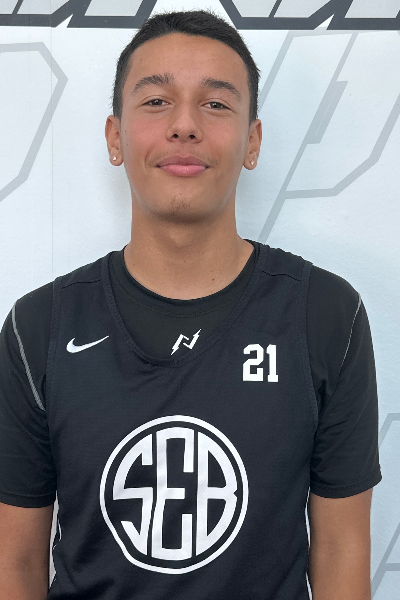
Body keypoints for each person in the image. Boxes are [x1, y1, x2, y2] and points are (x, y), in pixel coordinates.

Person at [0, 9, 381, 600]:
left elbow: (341, 549)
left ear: (252, 141)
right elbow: (15, 560)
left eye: (216, 104)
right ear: (115, 137)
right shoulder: (38, 329)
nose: (184, 125)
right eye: (156, 101)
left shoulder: (327, 315)